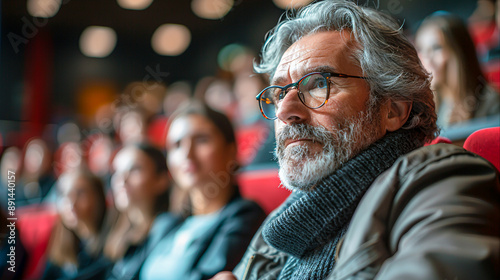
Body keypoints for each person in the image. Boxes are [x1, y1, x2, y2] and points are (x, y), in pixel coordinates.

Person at [211, 1, 500, 279]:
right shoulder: (280, 224)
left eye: (318, 83)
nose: (285, 111)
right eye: (278, 94)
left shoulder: (442, 181)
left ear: (393, 110)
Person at [139, 101, 266, 280]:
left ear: (231, 150)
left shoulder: (245, 216)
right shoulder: (166, 223)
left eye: (201, 140)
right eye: (177, 145)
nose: (187, 154)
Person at [105, 144, 179, 280]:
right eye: (116, 171)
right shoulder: (119, 234)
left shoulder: (168, 226)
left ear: (161, 180)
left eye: (134, 170)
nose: (121, 180)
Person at [415, 12, 500, 128]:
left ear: (458, 54)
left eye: (436, 48)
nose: (427, 59)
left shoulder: (491, 102)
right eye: (421, 50)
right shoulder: (431, 108)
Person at [42, 168, 111, 280]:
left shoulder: (111, 242)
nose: (71, 202)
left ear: (98, 197)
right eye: (64, 194)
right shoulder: (61, 241)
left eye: (80, 193)